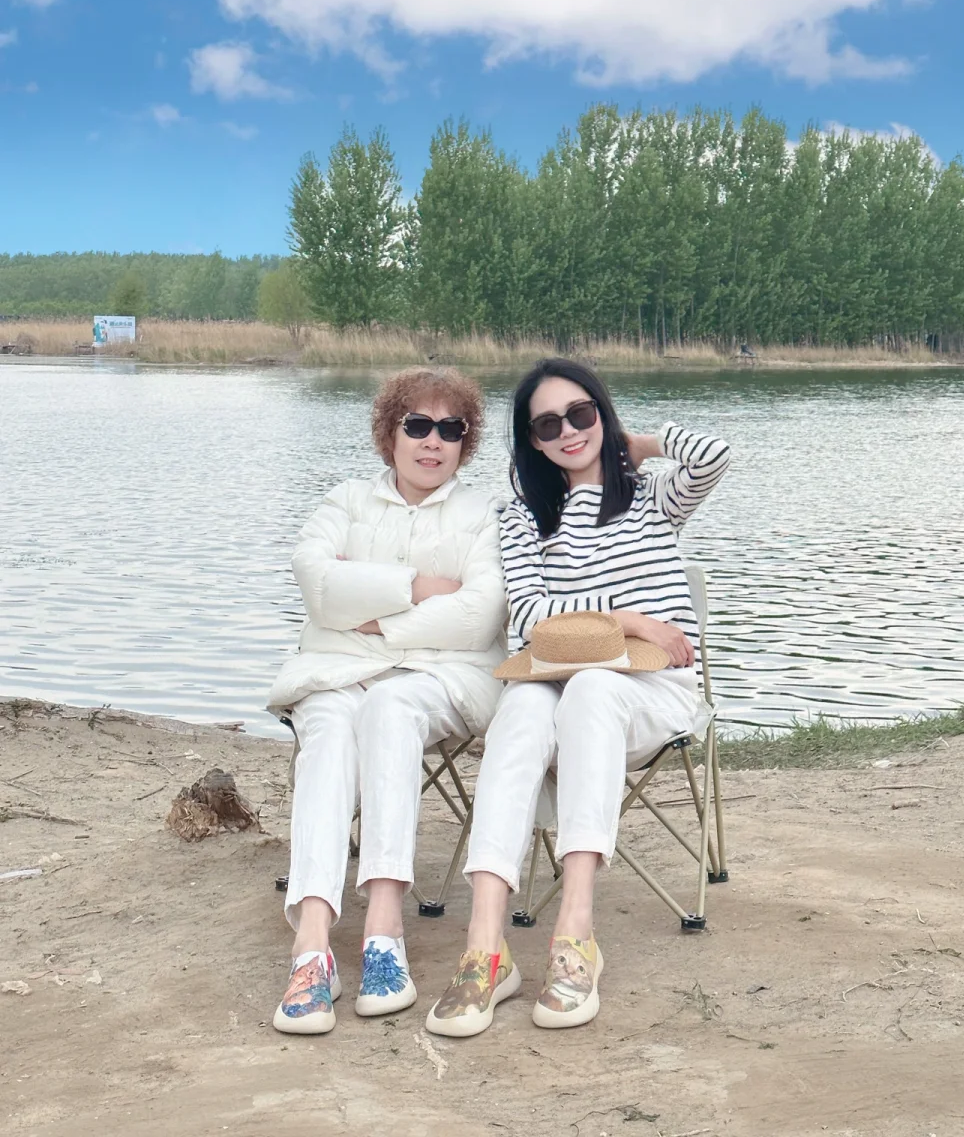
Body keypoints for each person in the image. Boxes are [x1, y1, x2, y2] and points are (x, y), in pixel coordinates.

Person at [426, 357, 730, 1037]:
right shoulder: (522, 519)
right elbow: (531, 619)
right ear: (532, 442)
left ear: (602, 412)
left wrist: (636, 445)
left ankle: (576, 934)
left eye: (581, 414)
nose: (567, 431)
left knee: (592, 687)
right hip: (553, 677)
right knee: (520, 709)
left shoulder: (652, 497)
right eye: (547, 425)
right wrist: (630, 620)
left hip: (651, 689)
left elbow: (713, 455)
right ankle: (485, 949)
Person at [267, 367, 507, 1035]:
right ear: (389, 433)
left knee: (390, 707)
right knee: (328, 726)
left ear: (465, 441)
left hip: (444, 676)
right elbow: (317, 584)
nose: (433, 441)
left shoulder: (484, 515)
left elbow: (480, 616)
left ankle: (384, 930)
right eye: (418, 425)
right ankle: (312, 944)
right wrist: (420, 586)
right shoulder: (345, 501)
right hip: (338, 670)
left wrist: (374, 619)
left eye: (450, 429)